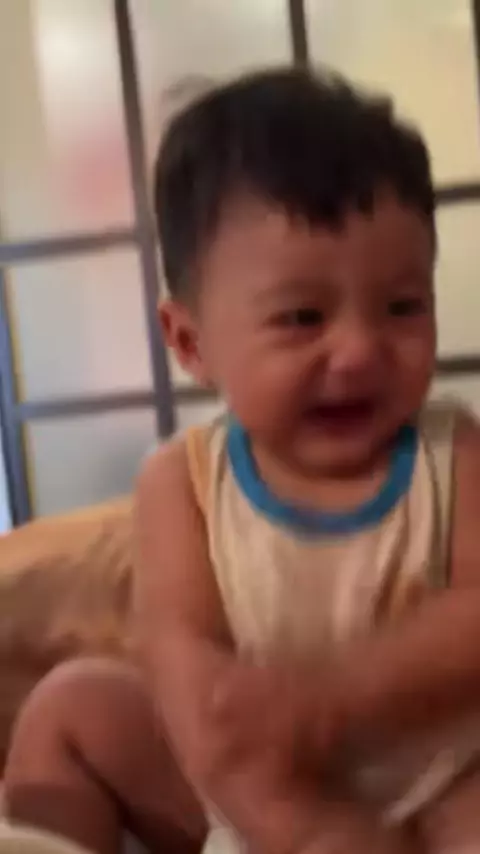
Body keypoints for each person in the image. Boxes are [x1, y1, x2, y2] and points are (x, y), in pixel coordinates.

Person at [5, 66, 480, 854]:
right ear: (191, 342)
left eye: (404, 306)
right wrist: (293, 820)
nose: (360, 350)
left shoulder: (452, 451)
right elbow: (182, 664)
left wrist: (327, 699)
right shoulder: (182, 485)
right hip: (249, 788)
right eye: (302, 317)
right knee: (69, 709)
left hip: (440, 778)